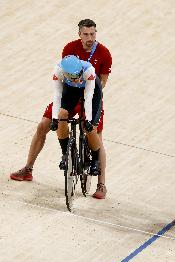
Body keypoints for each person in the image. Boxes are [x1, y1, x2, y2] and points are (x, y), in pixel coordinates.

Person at [10, 19, 112, 199]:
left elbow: (101, 84)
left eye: (93, 34)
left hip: (90, 94)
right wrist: (59, 114)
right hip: (69, 93)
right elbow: (61, 83)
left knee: (94, 132)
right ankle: (28, 168)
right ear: (79, 35)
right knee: (43, 124)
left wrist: (86, 113)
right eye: (86, 34)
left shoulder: (104, 53)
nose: (90, 38)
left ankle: (101, 184)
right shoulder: (69, 49)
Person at [50, 55, 102, 175]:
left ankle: (95, 160)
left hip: (91, 89)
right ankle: (65, 154)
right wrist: (54, 118)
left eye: (78, 75)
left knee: (90, 129)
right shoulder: (58, 70)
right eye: (73, 77)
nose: (77, 79)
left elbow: (89, 97)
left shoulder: (88, 70)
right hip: (71, 90)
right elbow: (57, 95)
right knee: (61, 115)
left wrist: (88, 120)